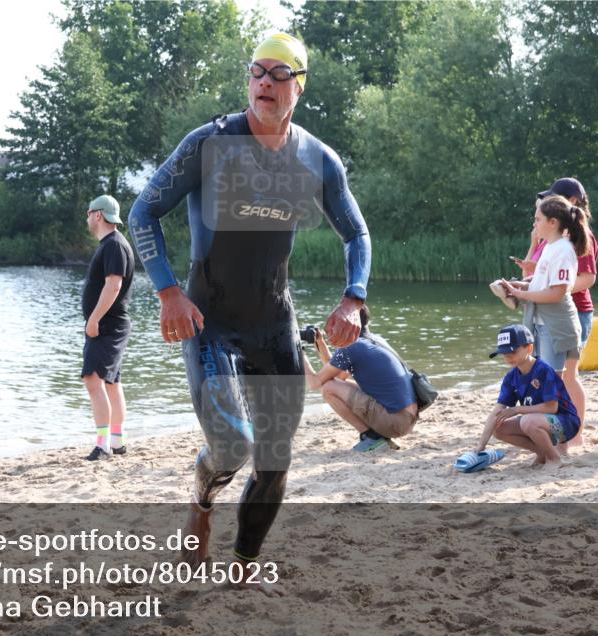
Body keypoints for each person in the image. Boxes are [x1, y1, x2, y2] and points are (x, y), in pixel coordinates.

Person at [128, 32, 370, 580]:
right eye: (257, 71)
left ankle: (243, 564)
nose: (265, 81)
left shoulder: (318, 159)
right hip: (208, 322)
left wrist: (354, 297)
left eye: (279, 74)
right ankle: (201, 501)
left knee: (275, 459)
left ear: (298, 88)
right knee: (232, 443)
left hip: (272, 323)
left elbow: (356, 233)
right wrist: (168, 290)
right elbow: (143, 212)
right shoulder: (208, 144)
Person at [502, 195, 589, 453]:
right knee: (548, 382)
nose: (535, 224)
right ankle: (555, 444)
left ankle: (561, 447)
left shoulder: (562, 250)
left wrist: (521, 295)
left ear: (552, 222)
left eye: (538, 219)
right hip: (542, 325)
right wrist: (519, 286)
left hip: (556, 326)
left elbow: (557, 293)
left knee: (555, 385)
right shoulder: (550, 247)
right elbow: (543, 286)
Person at [302, 306, 417, 452]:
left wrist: (299, 352)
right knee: (333, 385)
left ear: (348, 324)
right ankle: (380, 437)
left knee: (328, 389)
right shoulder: (373, 340)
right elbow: (337, 377)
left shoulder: (352, 347)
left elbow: (314, 383)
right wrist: (320, 343)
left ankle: (371, 437)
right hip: (407, 419)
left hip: (394, 422)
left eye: (335, 322)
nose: (332, 327)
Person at [476, 324, 580, 472]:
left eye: (512, 351)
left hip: (566, 423)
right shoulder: (511, 377)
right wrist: (481, 445)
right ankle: (542, 453)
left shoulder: (543, 370)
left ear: (529, 348)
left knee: (527, 420)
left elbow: (552, 407)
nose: (508, 356)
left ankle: (554, 458)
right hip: (537, 421)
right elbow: (496, 412)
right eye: (503, 353)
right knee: (498, 426)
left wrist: (517, 409)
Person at [81, 194, 135, 461]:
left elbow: (113, 285)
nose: (88, 217)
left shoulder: (114, 245)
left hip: (107, 326)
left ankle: (102, 446)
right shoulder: (113, 244)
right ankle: (117, 442)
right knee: (112, 383)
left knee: (93, 379)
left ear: (98, 215)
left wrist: (94, 320)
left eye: (89, 212)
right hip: (112, 324)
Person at [516, 178, 598, 348]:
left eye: (555, 198)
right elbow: (530, 276)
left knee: (565, 370)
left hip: (574, 310)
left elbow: (588, 278)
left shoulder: (579, 236)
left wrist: (555, 291)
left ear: (572, 201)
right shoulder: (553, 237)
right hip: (548, 310)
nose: (550, 203)